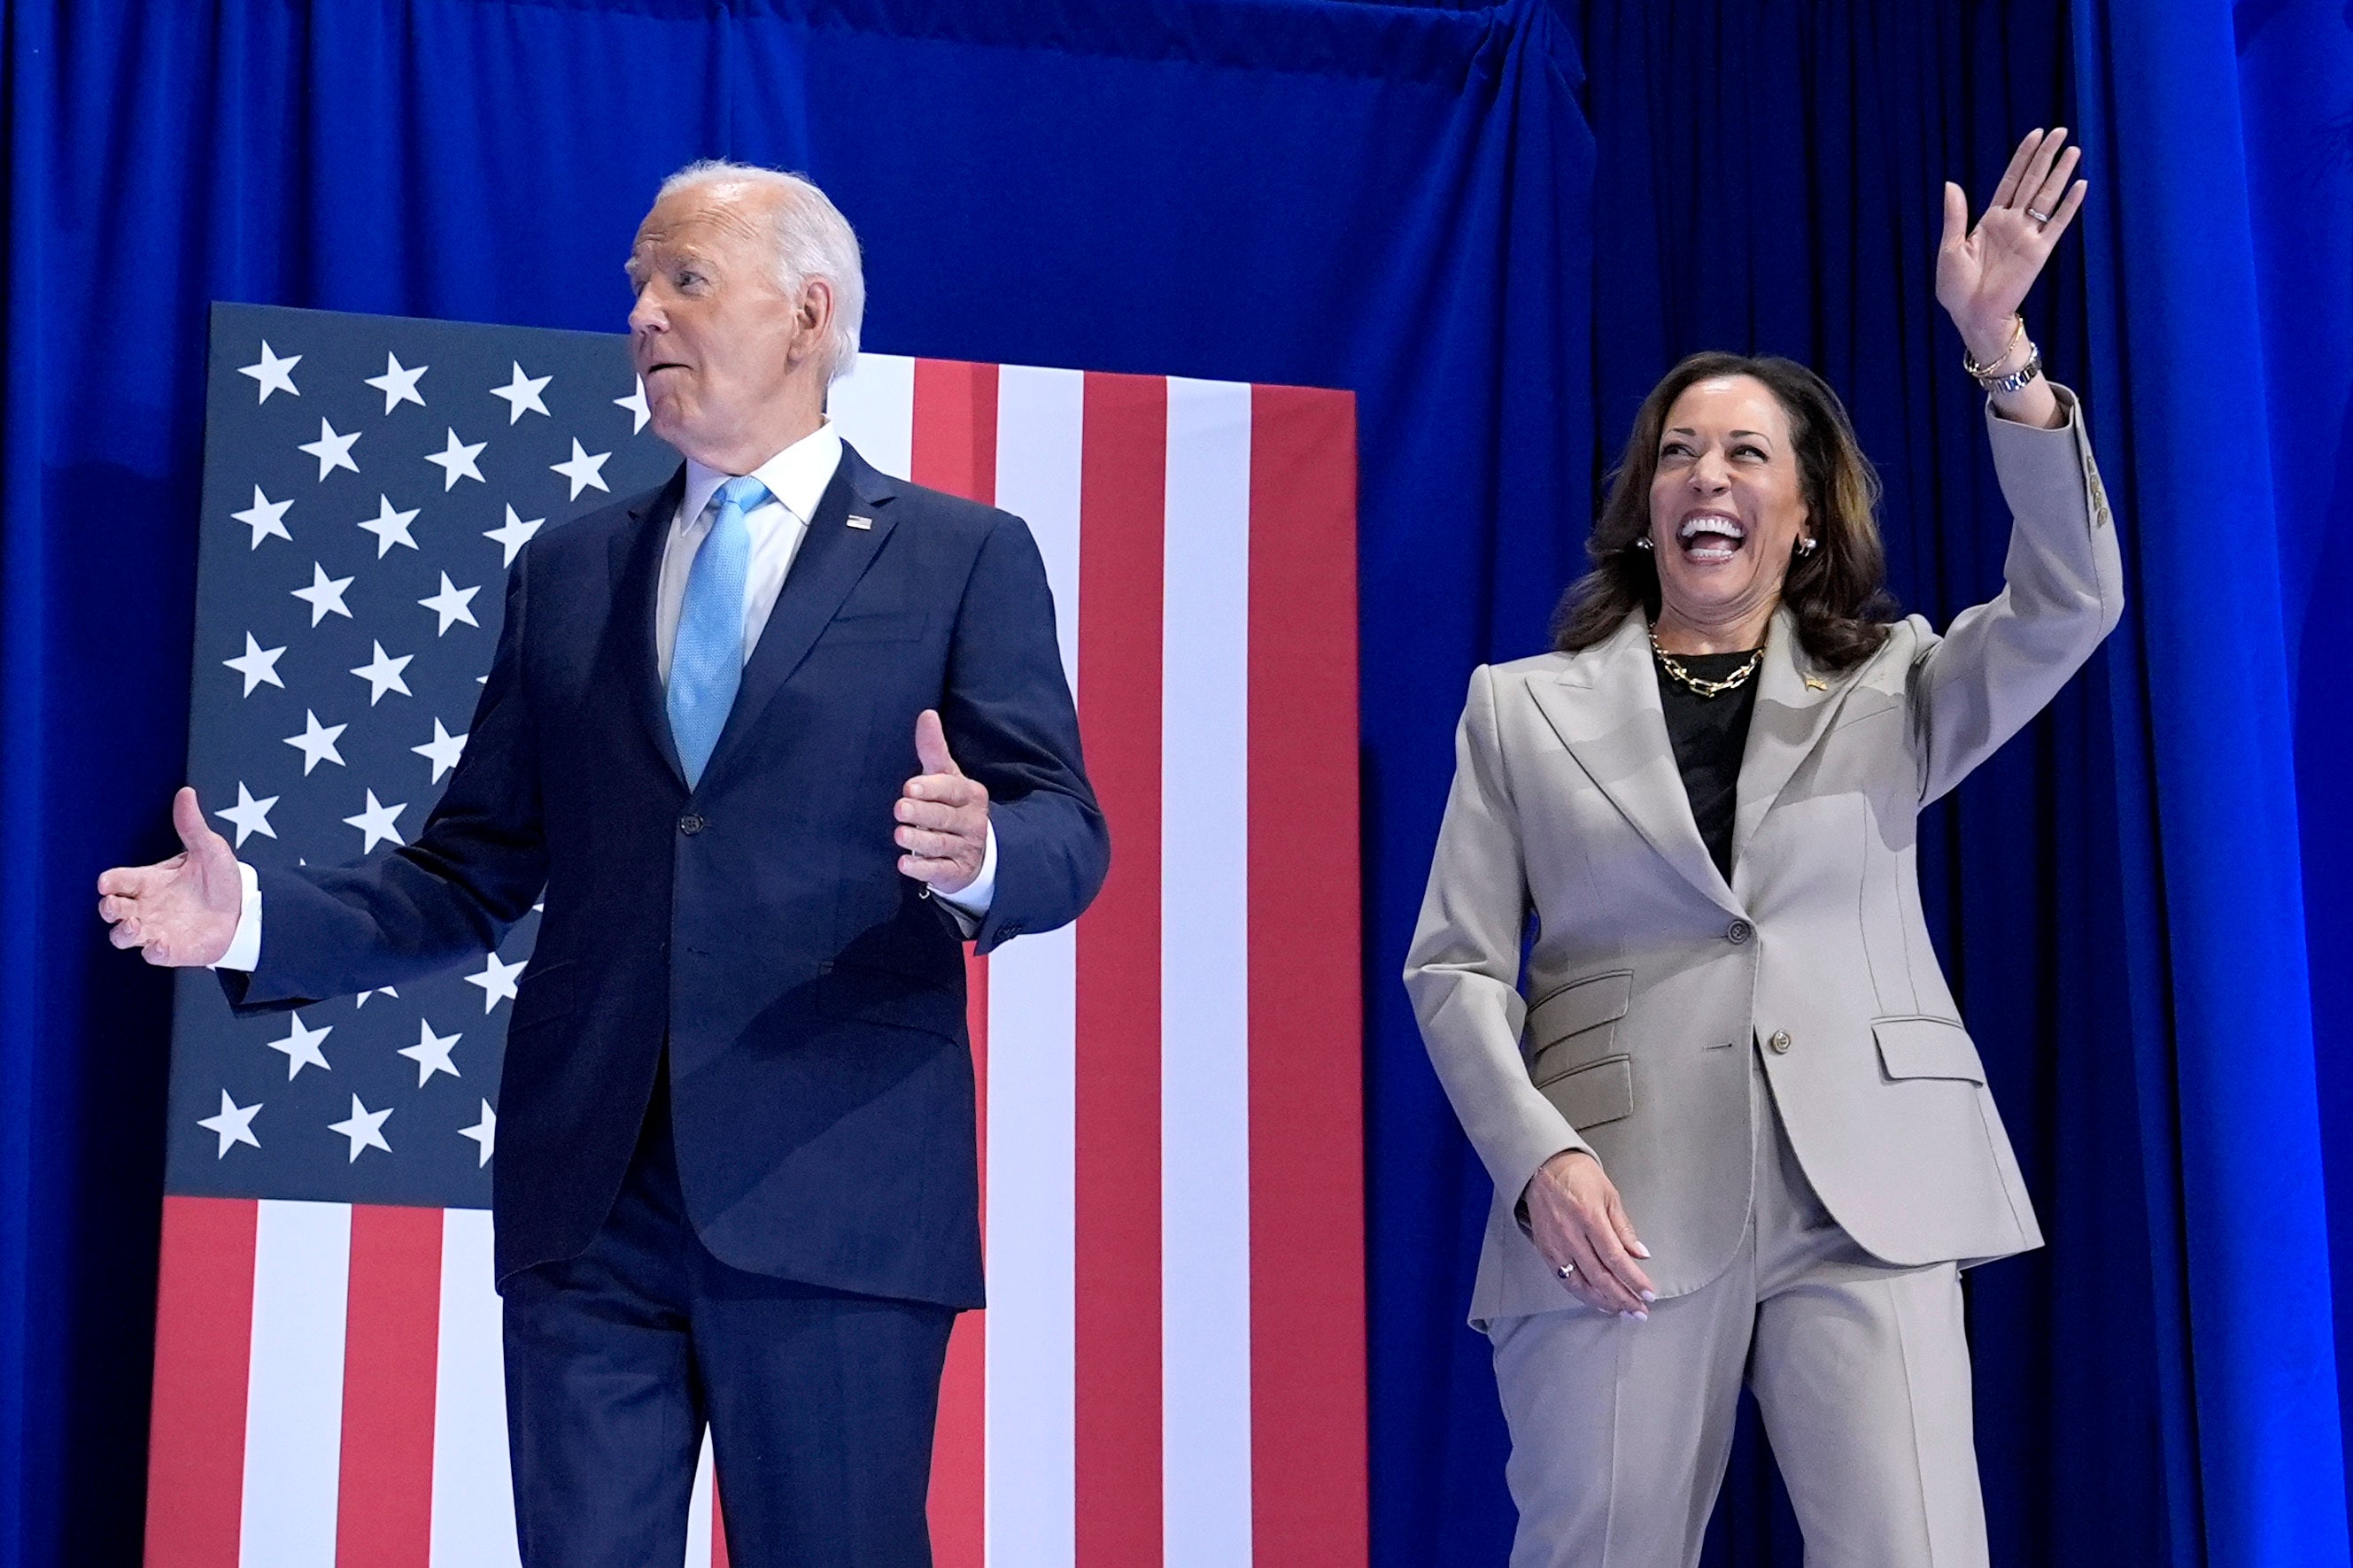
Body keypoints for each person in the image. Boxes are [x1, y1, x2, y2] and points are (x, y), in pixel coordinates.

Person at [98, 161, 1107, 1567]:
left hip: (835, 1198)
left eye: (683, 279)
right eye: (638, 283)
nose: (642, 313)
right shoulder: (567, 567)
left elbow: (1068, 828)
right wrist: (255, 919)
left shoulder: (959, 555)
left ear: (808, 315)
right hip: (590, 1207)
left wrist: (986, 848)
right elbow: (468, 874)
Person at [1404, 129, 2117, 1567]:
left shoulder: (1895, 683)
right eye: (1676, 453)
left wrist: (2002, 356)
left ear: (1799, 518)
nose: (1703, 475)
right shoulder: (1519, 709)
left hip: (1869, 1188)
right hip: (1616, 1203)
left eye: (1742, 453)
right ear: (1646, 505)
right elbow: (1456, 967)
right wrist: (1536, 1156)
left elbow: (2066, 602)